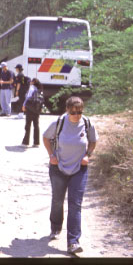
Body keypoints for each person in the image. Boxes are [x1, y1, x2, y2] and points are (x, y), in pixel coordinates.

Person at [42, 96, 98, 255]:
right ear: (67, 110)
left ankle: (73, 242)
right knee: (58, 200)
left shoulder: (87, 124)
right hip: (58, 168)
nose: (76, 115)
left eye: (79, 112)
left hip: (79, 169)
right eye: (73, 112)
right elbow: (46, 138)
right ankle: (55, 227)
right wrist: (51, 155)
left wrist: (88, 155)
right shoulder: (58, 123)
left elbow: (93, 141)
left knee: (75, 204)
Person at [21, 78, 42, 147]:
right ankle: (36, 143)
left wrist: (24, 105)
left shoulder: (32, 88)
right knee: (36, 125)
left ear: (33, 82)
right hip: (36, 109)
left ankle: (25, 142)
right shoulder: (39, 89)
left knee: (28, 125)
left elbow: (28, 97)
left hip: (30, 109)